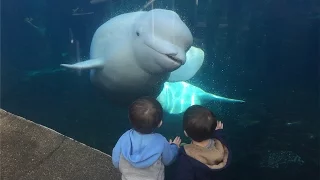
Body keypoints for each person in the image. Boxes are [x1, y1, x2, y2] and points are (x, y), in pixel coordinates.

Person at [112, 96, 181, 180]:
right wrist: (174, 147)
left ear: (130, 120)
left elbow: (116, 160)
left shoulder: (125, 137)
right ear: (160, 123)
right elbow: (168, 160)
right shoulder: (161, 141)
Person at [175, 105, 232, 180]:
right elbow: (221, 138)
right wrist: (219, 133)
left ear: (186, 133)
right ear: (214, 129)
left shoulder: (186, 159)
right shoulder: (223, 146)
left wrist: (175, 149)